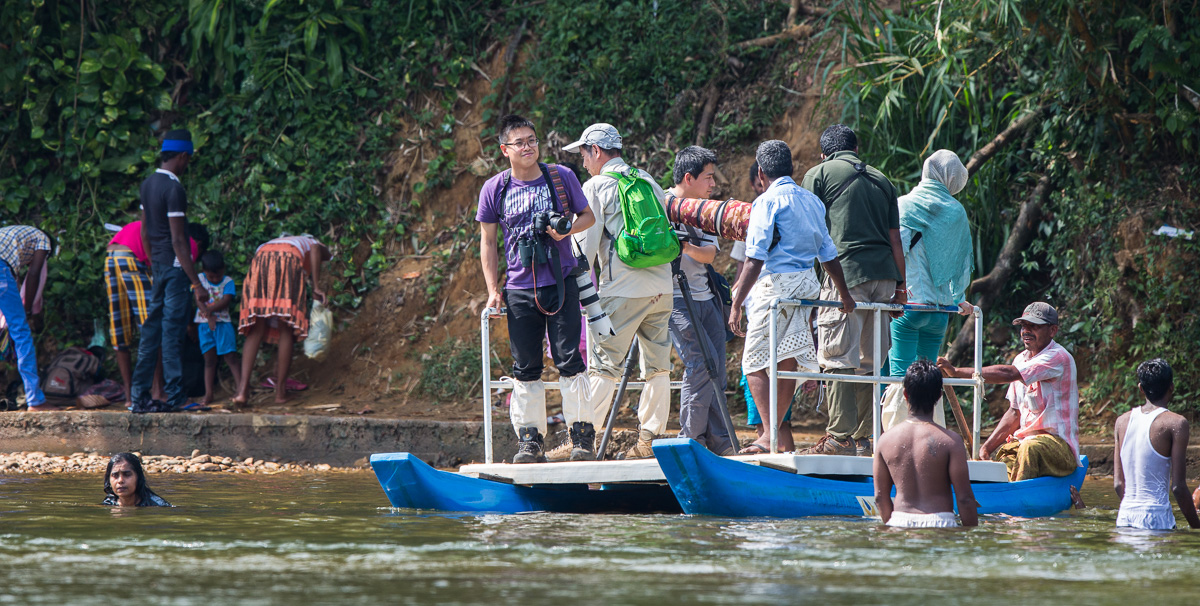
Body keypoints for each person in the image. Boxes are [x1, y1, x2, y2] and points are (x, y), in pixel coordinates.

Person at [477, 114, 596, 463]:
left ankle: (582, 438)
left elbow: (586, 216)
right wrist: (492, 289)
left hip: (561, 282)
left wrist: (565, 232)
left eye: (532, 140)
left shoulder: (561, 177)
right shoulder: (494, 189)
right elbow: (487, 242)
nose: (528, 147)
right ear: (504, 150)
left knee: (570, 360)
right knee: (525, 366)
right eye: (520, 142)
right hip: (518, 288)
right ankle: (530, 441)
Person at [729, 140, 854, 454]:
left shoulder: (766, 202)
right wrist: (844, 294)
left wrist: (735, 303)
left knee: (753, 363)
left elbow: (755, 257)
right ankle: (772, 434)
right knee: (786, 357)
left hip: (776, 287)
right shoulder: (811, 201)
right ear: (791, 167)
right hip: (808, 285)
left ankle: (769, 434)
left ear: (761, 173)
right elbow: (828, 253)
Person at [569, 123, 674, 460]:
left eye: (584, 154)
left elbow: (583, 247)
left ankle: (581, 440)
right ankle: (648, 442)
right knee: (658, 366)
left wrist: (574, 288)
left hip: (623, 290)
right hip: (662, 287)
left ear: (596, 151)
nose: (583, 162)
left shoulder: (597, 185)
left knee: (603, 366)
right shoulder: (647, 180)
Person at [801, 124, 906, 456]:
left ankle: (838, 437)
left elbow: (806, 231)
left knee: (837, 356)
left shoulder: (818, 174)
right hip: (885, 277)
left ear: (824, 152)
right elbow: (895, 239)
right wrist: (902, 288)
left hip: (846, 276)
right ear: (855, 148)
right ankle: (864, 439)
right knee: (870, 360)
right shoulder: (882, 179)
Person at [938, 302, 1080, 481]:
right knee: (1002, 461)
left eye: (1034, 326)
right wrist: (986, 448)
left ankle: (1019, 499)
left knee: (1030, 448)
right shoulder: (1020, 359)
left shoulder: (1058, 357)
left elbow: (1010, 373)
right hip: (1023, 443)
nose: (1026, 331)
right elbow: (1014, 413)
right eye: (1024, 326)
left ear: (1052, 331)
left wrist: (957, 372)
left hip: (1058, 447)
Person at [884, 150, 975, 427]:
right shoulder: (956, 213)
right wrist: (958, 297)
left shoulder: (905, 205)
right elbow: (960, 261)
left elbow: (894, 249)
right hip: (940, 310)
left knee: (902, 377)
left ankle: (898, 439)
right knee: (928, 379)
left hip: (909, 306)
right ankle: (929, 436)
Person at [130, 129, 210, 412]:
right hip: (175, 268)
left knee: (150, 331)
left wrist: (153, 263)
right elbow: (179, 240)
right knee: (172, 332)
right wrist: (195, 283)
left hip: (160, 266)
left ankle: (138, 396)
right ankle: (175, 397)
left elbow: (144, 232)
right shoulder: (174, 188)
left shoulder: (148, 184)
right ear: (183, 156)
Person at [666, 146, 734, 455]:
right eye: (708, 178)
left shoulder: (705, 212)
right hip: (676, 300)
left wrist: (683, 244)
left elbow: (709, 254)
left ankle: (719, 443)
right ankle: (691, 440)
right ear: (689, 177)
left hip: (707, 299)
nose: (713, 185)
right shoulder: (661, 203)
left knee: (716, 369)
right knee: (699, 366)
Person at [106, 220, 204, 405]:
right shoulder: (188, 244)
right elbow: (179, 288)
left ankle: (129, 397)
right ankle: (159, 391)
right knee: (153, 326)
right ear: (198, 243)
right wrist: (190, 322)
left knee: (120, 327)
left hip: (112, 254)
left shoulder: (164, 230)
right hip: (133, 256)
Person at [873, 359, 978, 528]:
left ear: (905, 394)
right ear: (939, 396)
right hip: (941, 521)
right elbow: (965, 498)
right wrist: (972, 537)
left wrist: (892, 526)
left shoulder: (885, 440)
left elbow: (880, 497)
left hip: (899, 521)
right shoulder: (951, 441)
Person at [232, 234, 331, 406]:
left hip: (260, 260)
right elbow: (316, 249)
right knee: (286, 326)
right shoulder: (311, 242)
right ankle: (280, 394)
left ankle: (241, 392)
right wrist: (316, 286)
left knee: (256, 327)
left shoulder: (274, 241)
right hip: (288, 258)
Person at [1114, 359, 1200, 530]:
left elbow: (1118, 484)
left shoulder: (1121, 422)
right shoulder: (1176, 423)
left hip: (1124, 517)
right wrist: (1197, 527)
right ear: (1171, 387)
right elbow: (1178, 487)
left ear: (1140, 388)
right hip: (1157, 517)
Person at [0, 225, 51, 410]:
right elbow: (35, 274)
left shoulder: (14, 236)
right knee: (21, 333)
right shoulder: (43, 239)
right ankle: (35, 400)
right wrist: (27, 309)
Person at [195, 250, 243, 405]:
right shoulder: (199, 280)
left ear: (223, 270)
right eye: (211, 277)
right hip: (204, 326)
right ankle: (209, 394)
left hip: (223, 324)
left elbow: (226, 300)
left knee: (231, 357)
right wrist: (208, 316)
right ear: (204, 272)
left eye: (218, 276)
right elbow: (198, 299)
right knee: (209, 360)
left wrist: (210, 312)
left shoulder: (227, 282)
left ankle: (241, 389)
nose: (215, 279)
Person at [102, 452, 170, 507]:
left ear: (138, 477)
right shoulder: (109, 503)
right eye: (115, 475)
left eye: (127, 474)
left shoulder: (157, 506)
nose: (120, 480)